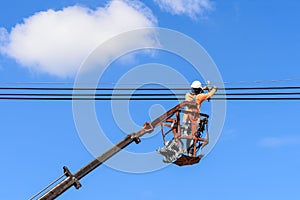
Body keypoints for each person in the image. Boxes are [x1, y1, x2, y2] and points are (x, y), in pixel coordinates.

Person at [182, 80, 217, 155]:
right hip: (194, 121)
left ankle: (188, 150)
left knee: (188, 136)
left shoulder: (187, 95)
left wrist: (204, 88)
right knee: (193, 136)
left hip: (186, 120)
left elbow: (196, 93)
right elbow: (209, 95)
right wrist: (214, 88)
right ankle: (191, 152)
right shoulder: (200, 97)